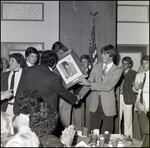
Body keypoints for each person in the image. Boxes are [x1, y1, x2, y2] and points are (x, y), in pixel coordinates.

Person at [78, 44, 122, 134]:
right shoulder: (96, 66)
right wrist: (80, 95)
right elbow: (89, 82)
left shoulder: (117, 70)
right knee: (93, 132)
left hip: (108, 105)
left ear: (112, 56)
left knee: (107, 133)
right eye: (102, 53)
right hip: (95, 104)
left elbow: (108, 86)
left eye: (105, 54)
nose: (102, 56)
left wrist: (90, 83)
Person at [51, 41, 73, 136]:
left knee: (66, 123)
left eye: (62, 53)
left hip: (67, 96)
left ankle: (65, 142)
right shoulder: (51, 65)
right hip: (56, 96)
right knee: (54, 122)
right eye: (58, 53)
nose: (60, 55)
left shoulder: (70, 64)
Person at [1, 53, 27, 117]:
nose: (10, 62)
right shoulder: (4, 75)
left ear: (19, 62)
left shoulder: (27, 75)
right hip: (4, 108)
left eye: (12, 61)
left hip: (19, 109)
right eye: (10, 60)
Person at [118, 57, 137, 138]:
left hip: (128, 98)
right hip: (119, 97)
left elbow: (131, 82)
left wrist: (123, 73)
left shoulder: (133, 73)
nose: (124, 65)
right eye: (123, 63)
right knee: (118, 119)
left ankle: (128, 138)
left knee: (128, 121)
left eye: (126, 63)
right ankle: (118, 136)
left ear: (130, 64)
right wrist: (119, 72)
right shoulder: (118, 72)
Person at [72, 54, 92, 130]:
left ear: (89, 63)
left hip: (89, 98)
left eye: (85, 62)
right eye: (82, 62)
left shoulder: (92, 73)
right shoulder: (75, 73)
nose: (83, 64)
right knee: (77, 118)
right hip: (77, 97)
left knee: (88, 118)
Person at [132, 55, 149, 141]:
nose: (144, 65)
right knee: (142, 126)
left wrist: (143, 87)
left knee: (147, 128)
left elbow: (144, 89)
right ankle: (143, 143)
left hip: (148, 104)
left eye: (146, 63)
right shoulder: (139, 75)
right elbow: (135, 90)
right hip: (140, 103)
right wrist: (136, 88)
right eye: (143, 63)